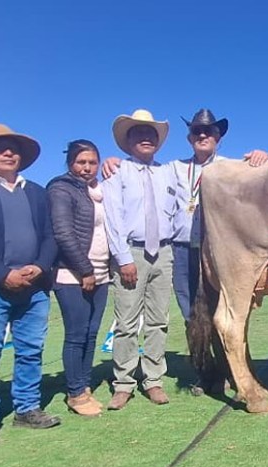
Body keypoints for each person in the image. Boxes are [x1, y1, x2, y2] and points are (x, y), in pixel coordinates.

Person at [102, 108, 268, 325]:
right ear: (190, 138)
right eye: (197, 131)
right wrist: (113, 160)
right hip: (181, 250)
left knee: (224, 307)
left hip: (220, 250)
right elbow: (141, 166)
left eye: (208, 131)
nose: (202, 135)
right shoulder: (173, 168)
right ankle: (199, 358)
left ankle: (224, 358)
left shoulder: (232, 168)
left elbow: (260, 176)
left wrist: (261, 156)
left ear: (217, 137)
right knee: (189, 310)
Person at [0, 123, 60, 449]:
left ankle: (27, 408)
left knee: (31, 350)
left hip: (33, 286)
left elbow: (49, 235)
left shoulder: (36, 191)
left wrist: (40, 266)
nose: (8, 153)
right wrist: (2, 274)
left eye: (13, 148)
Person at [101, 109, 181, 410]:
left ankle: (154, 380)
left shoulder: (168, 172)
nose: (146, 138)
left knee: (159, 321)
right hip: (131, 252)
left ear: (158, 141)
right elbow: (113, 217)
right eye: (138, 133)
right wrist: (123, 259)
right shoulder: (116, 171)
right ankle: (123, 383)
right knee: (126, 322)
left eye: (151, 134)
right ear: (128, 140)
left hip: (164, 252)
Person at [47, 140, 111, 416]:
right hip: (73, 273)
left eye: (92, 162)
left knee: (92, 332)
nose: (87, 168)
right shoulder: (61, 188)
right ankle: (75, 392)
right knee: (76, 333)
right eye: (81, 162)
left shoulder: (97, 190)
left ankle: (84, 386)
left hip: (101, 272)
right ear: (70, 163)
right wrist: (85, 270)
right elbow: (63, 233)